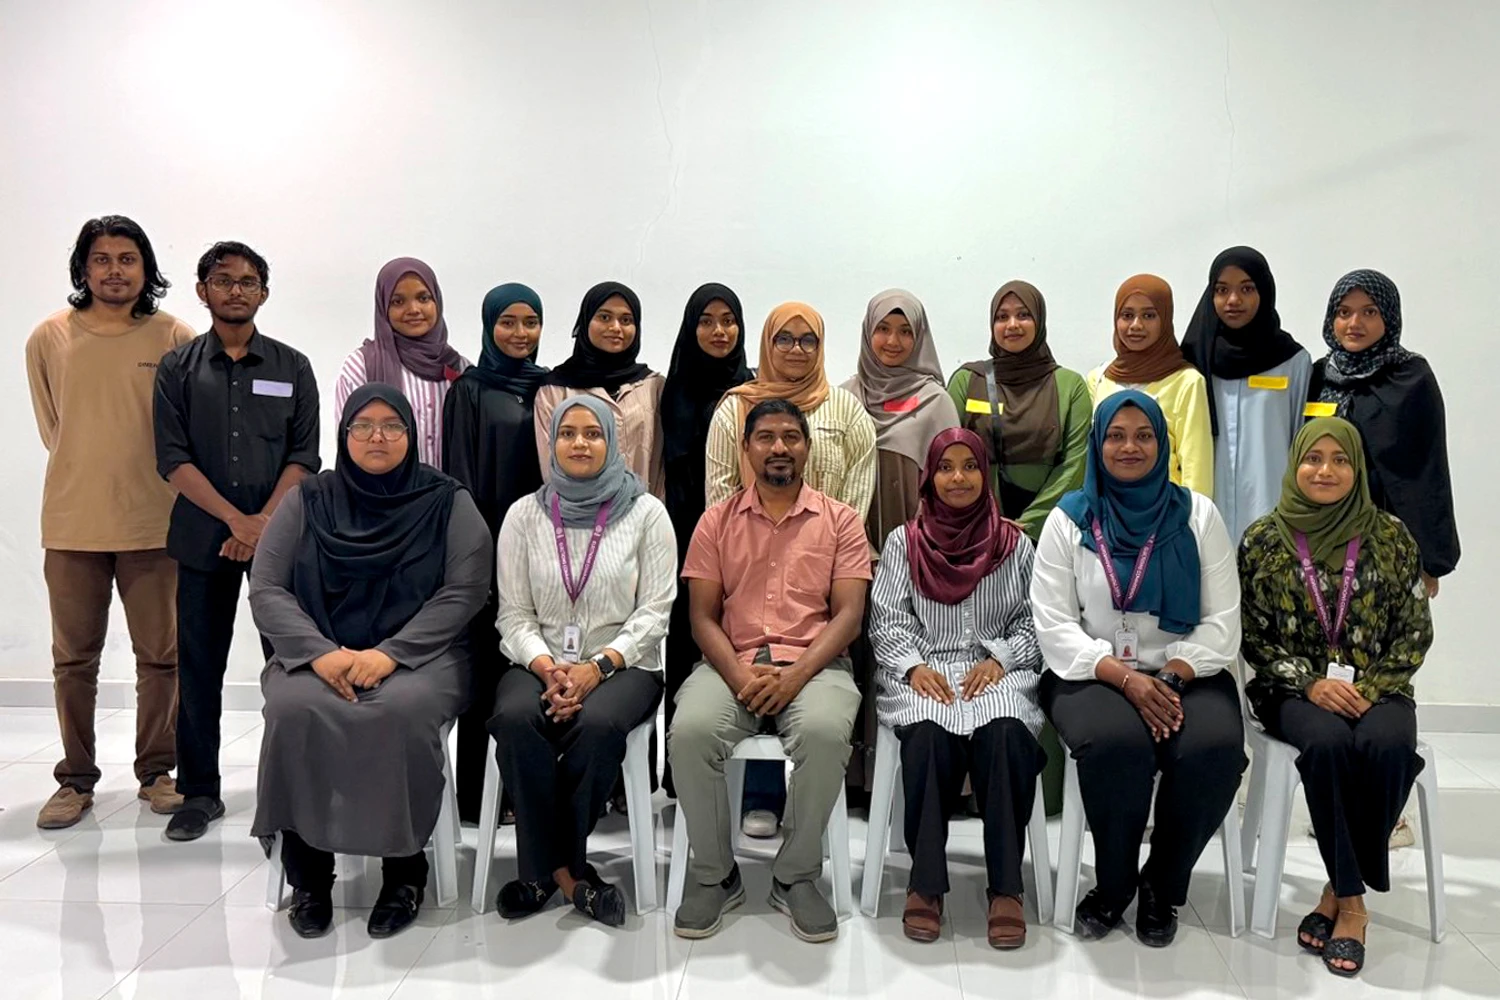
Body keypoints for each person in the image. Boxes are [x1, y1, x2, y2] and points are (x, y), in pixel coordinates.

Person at [249, 384, 491, 940]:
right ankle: (309, 877)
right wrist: (320, 653)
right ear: (344, 435)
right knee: (294, 709)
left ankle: (403, 873)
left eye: (391, 426)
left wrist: (390, 654)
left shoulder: (446, 501)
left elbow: (465, 591)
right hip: (321, 653)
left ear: (412, 433)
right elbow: (267, 588)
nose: (377, 437)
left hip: (423, 656)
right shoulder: (307, 500)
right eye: (363, 426)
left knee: (398, 711)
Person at [1030, 390, 1245, 947]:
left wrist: (1169, 677)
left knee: (1214, 749)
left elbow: (1223, 621)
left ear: (1162, 443)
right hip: (1092, 672)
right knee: (1115, 746)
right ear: (1097, 443)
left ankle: (1162, 886)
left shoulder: (1198, 515)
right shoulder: (1068, 520)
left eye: (1144, 435)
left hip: (1187, 671)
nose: (1130, 447)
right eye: (1116, 436)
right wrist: (1124, 678)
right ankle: (1114, 885)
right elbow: (1053, 623)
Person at [670, 399, 871, 943]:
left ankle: (795, 876)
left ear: (807, 447)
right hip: (731, 663)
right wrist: (739, 677)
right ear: (746, 449)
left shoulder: (842, 521)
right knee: (690, 733)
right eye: (765, 437)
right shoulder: (716, 522)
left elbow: (849, 616)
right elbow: (701, 618)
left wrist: (796, 675)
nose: (779, 447)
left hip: (816, 663)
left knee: (824, 734)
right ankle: (715, 875)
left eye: (791, 436)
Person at [1240, 417, 1432, 978]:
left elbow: (1415, 630)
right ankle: (1353, 905)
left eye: (1340, 460)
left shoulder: (1391, 537)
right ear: (1294, 464)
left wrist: (1369, 690)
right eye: (1313, 458)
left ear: (1358, 469)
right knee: (1325, 744)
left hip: (1378, 687)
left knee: (1388, 745)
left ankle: (1333, 889)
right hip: (1290, 689)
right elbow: (1252, 635)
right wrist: (1310, 683)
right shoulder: (1262, 539)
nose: (1325, 470)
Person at [25, 215, 197, 829]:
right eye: (102, 259)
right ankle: (74, 780)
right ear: (83, 268)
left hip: (155, 525)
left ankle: (157, 772)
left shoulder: (174, 336)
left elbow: (188, 431)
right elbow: (54, 427)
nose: (115, 270)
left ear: (146, 268)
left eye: (128, 259)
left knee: (161, 657)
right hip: (72, 525)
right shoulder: (49, 336)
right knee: (74, 661)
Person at [153, 241, 320, 841]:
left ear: (263, 293)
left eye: (248, 282)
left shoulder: (292, 367)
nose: (236, 290)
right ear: (202, 291)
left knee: (292, 664)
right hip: (203, 539)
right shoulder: (177, 369)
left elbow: (305, 455)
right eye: (223, 280)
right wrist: (236, 521)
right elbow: (171, 460)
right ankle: (200, 791)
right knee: (199, 668)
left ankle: (294, 791)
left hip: (281, 541)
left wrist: (262, 524)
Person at [489, 396, 676, 926]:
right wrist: (547, 666)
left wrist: (599, 667)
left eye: (592, 433)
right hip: (538, 662)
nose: (579, 443)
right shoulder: (524, 516)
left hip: (625, 664)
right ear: (551, 443)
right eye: (567, 433)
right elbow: (513, 614)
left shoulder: (647, 514)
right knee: (514, 718)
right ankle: (572, 877)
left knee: (596, 725)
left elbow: (656, 610)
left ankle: (541, 874)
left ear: (612, 443)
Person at [705, 302, 876, 837]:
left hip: (823, 566)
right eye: (784, 338)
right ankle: (760, 796)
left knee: (816, 694)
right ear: (766, 343)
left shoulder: (846, 410)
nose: (796, 350)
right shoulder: (735, 408)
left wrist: (821, 545)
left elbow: (856, 496)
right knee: (754, 655)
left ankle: (807, 823)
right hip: (749, 564)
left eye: (808, 340)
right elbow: (720, 493)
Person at [869, 428, 1044, 949]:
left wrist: (1002, 658)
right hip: (925, 671)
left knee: (1007, 736)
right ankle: (925, 883)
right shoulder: (904, 543)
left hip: (997, 672)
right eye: (946, 467)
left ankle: (1006, 886)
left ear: (985, 474)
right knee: (926, 736)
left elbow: (1035, 622)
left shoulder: (1014, 545)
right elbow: (888, 619)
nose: (958, 478)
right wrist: (912, 666)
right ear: (929, 477)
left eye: (970, 466)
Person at [842, 289, 959, 799]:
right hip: (852, 542)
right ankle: (859, 778)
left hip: (917, 545)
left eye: (905, 331)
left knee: (908, 645)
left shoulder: (936, 401)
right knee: (856, 646)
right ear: (867, 333)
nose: (893, 341)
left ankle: (920, 782)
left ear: (920, 338)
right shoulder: (845, 397)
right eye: (883, 329)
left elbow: (954, 479)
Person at [441, 282, 550, 823]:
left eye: (530, 322)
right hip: (490, 548)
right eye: (508, 322)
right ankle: (477, 795)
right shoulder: (469, 390)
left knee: (533, 669)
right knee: (486, 671)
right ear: (488, 326)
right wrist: (480, 558)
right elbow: (460, 479)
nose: (520, 333)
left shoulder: (549, 387)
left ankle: (533, 789)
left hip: (546, 550)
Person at [1307, 269, 1458, 598]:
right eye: (1344, 312)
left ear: (1388, 316)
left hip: (1390, 542)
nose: (1354, 323)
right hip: (1321, 538)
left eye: (1369, 312)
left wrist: (1430, 560)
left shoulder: (1411, 377)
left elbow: (1429, 470)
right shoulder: (1317, 376)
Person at [660, 283, 753, 795]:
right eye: (707, 321)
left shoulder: (754, 390)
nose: (719, 331)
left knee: (745, 643)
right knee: (685, 643)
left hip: (745, 540)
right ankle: (683, 775)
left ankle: (748, 781)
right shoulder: (669, 390)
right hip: (681, 534)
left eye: (728, 320)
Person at [1181, 247, 1311, 542]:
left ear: (1264, 291)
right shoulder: (1192, 360)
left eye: (1246, 289)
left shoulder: (1292, 361)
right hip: (1204, 519)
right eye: (1222, 290)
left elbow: (1300, 441)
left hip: (1274, 518)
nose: (1233, 300)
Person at [947, 281, 1091, 540]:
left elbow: (1075, 465)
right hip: (975, 530)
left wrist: (1029, 524)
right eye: (1002, 317)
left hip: (1049, 532)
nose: (1012, 324)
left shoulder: (1070, 386)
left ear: (1039, 320)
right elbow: (946, 456)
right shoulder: (967, 381)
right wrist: (983, 521)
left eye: (1023, 315)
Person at [334, 257, 470, 467]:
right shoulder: (361, 367)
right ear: (383, 307)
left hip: (451, 486)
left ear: (437, 301)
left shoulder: (460, 368)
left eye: (423, 298)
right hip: (383, 487)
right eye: (398, 302)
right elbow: (348, 443)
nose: (413, 309)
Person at [1086, 275, 1213, 498]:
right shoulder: (1099, 379)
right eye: (1127, 315)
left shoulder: (1186, 381)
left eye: (1149, 315)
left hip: (1165, 510)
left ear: (1165, 319)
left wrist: (1194, 515)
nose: (1136, 325)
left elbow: (1196, 466)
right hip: (1106, 509)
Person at [535, 282, 665, 498]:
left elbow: (660, 466)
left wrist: (650, 511)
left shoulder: (654, 385)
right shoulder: (555, 389)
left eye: (626, 320)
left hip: (642, 510)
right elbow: (551, 469)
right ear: (586, 321)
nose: (616, 327)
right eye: (604, 317)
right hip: (575, 512)